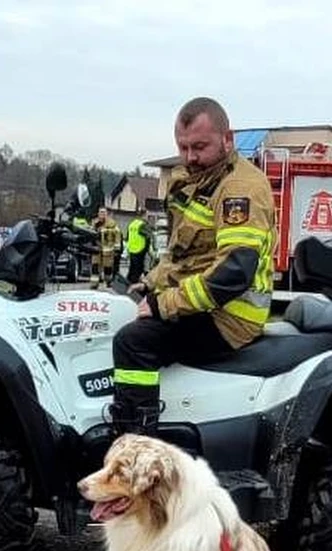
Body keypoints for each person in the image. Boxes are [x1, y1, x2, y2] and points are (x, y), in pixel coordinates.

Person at [107, 96, 277, 436]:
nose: (190, 157)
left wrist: (164, 304)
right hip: (203, 304)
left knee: (132, 342)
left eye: (199, 147)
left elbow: (233, 272)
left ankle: (136, 444)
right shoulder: (197, 179)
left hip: (229, 315)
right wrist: (150, 282)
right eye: (183, 147)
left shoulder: (239, 188)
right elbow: (182, 253)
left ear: (227, 139)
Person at [92, 208, 121, 289]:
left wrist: (117, 249)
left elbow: (117, 236)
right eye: (100, 212)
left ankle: (108, 282)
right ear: (98, 214)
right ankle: (94, 284)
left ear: (107, 214)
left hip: (108, 250)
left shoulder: (112, 224)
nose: (102, 214)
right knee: (95, 267)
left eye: (104, 212)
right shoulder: (94, 223)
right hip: (96, 249)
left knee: (108, 267)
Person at [124, 207, 153, 284]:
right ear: (144, 215)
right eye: (147, 215)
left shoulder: (132, 224)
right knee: (138, 270)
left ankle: (127, 283)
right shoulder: (142, 225)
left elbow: (127, 237)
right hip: (140, 250)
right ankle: (134, 285)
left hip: (131, 249)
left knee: (132, 269)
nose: (147, 218)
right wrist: (148, 250)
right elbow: (149, 236)